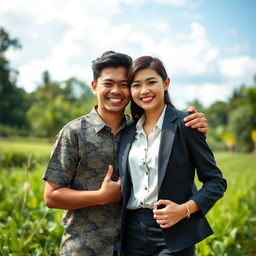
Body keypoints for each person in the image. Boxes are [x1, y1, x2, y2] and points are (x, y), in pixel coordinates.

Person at [43, 51, 209, 256]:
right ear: (94, 86)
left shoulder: (137, 128)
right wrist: (100, 196)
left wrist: (193, 125)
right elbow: (51, 196)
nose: (116, 91)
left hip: (129, 245)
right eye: (108, 83)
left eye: (124, 84)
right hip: (85, 247)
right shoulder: (74, 132)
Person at [118, 56, 227, 256]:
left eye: (151, 82)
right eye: (136, 85)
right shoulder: (127, 130)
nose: (144, 91)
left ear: (166, 83)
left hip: (175, 232)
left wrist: (184, 209)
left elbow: (216, 182)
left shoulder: (186, 124)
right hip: (132, 233)